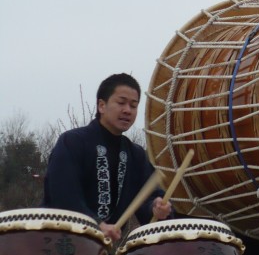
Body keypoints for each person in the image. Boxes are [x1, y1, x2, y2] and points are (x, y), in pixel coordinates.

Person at [43, 73, 172, 242]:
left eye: (133, 105)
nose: (127, 110)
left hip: (103, 252)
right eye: (121, 102)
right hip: (59, 245)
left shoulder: (136, 155)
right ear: (101, 106)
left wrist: (156, 207)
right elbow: (63, 196)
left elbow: (148, 200)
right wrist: (96, 225)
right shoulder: (72, 142)